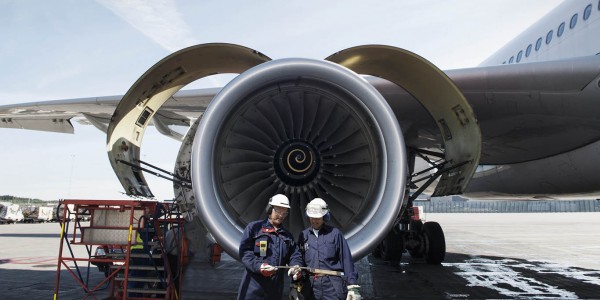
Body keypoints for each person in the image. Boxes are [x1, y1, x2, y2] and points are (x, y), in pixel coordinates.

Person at [237, 194, 303, 300]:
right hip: (253, 287)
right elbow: (245, 253)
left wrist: (296, 266)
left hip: (274, 291)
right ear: (270, 209)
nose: (281, 216)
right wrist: (259, 266)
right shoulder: (254, 229)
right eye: (278, 211)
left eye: (284, 213)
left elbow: (295, 255)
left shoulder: (287, 236)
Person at [296, 198, 361, 300]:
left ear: (325, 216)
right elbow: (299, 259)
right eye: (311, 217)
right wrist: (295, 282)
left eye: (317, 218)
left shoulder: (335, 234)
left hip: (332, 287)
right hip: (311, 286)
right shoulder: (303, 235)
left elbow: (346, 260)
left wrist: (352, 287)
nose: (314, 220)